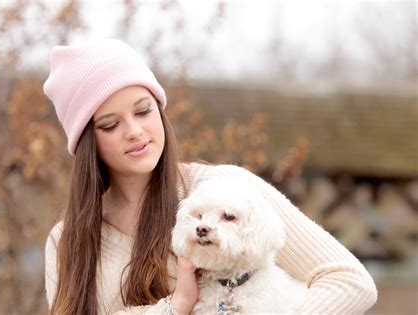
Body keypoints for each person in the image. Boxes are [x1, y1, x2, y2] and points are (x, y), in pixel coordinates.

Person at [43, 39, 377, 315]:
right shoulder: (68, 241)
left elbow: (349, 282)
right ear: (87, 142)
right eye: (110, 125)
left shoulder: (228, 190)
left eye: (144, 110)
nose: (134, 131)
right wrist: (175, 307)